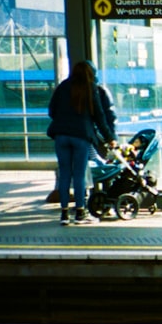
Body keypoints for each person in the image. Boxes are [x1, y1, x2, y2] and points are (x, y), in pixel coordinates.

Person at [47, 61, 117, 225]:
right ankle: (80, 213)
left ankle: (64, 215)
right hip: (81, 136)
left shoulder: (63, 86)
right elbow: (100, 116)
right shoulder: (91, 88)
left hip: (61, 136)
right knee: (79, 175)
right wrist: (110, 138)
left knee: (65, 174)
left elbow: (51, 111)